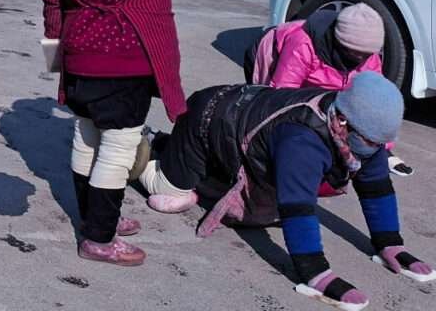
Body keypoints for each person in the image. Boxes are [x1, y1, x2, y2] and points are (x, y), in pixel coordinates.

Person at [42, 0, 215, 267]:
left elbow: (51, 1)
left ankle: (96, 216)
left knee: (87, 136)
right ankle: (99, 238)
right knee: (118, 149)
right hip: (127, 62)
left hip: (80, 58)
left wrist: (55, 64)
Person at [139, 73, 434, 309]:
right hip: (204, 117)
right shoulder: (302, 138)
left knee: (255, 205)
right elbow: (298, 207)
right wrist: (315, 273)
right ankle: (145, 148)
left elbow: (376, 187)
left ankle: (190, 163)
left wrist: (389, 242)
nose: (376, 149)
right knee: (172, 197)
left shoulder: (362, 131)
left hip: (239, 129)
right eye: (371, 142)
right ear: (342, 121)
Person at [245, 4, 412, 177]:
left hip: (316, 83)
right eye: (357, 53)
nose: (363, 59)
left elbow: (374, 105)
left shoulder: (369, 58)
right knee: (268, 115)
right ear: (341, 42)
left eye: (368, 54)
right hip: (270, 56)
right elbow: (281, 97)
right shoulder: (302, 44)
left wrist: (381, 148)